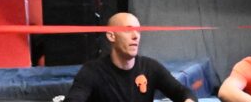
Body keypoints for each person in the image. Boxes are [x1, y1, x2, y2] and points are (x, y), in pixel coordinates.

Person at [64, 12, 199, 102]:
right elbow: (74, 99)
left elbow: (182, 92)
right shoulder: (92, 71)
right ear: (111, 36)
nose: (136, 36)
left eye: (138, 31)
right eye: (128, 30)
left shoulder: (151, 68)